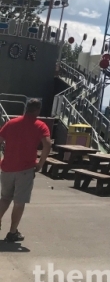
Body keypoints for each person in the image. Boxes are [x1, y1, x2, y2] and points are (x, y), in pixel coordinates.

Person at [0, 98, 52, 242]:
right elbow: (47, 145)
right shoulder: (40, 125)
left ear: (26, 108)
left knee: (4, 198)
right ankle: (12, 232)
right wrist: (40, 163)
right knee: (19, 201)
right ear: (38, 110)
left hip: (7, 167)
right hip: (25, 169)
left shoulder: (11, 123)